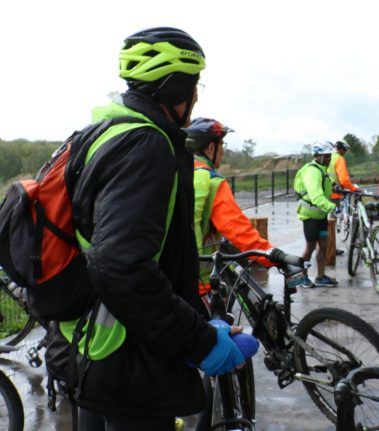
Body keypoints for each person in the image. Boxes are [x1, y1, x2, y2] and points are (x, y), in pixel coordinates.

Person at [59, 27, 255, 429]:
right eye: (194, 85)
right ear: (176, 88)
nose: (196, 96)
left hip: (91, 341)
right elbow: (121, 266)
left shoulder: (103, 133)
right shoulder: (146, 145)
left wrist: (195, 323)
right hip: (127, 359)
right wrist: (199, 342)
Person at [184, 117, 278, 294]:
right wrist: (273, 256)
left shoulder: (176, 171)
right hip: (199, 281)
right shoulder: (212, 181)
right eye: (222, 145)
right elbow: (238, 230)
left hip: (167, 275)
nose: (222, 151)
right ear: (210, 148)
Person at [294, 141, 339, 288]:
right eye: (326, 156)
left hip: (321, 216)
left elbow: (328, 182)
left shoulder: (321, 169)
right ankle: (301, 277)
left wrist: (337, 187)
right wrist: (333, 207)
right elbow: (316, 197)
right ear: (317, 156)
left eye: (329, 156)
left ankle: (320, 276)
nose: (329, 159)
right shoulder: (312, 172)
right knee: (310, 247)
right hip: (311, 216)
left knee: (324, 244)